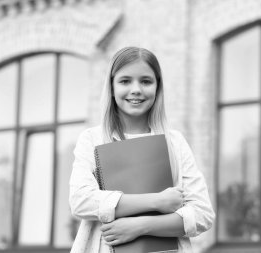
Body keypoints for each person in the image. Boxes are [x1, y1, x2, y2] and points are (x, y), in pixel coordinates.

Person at [69, 47, 215, 252]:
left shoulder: (174, 142)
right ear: (111, 87)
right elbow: (81, 201)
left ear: (158, 87)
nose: (136, 89)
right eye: (125, 81)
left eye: (146, 81)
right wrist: (157, 201)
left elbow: (202, 214)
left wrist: (139, 226)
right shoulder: (92, 139)